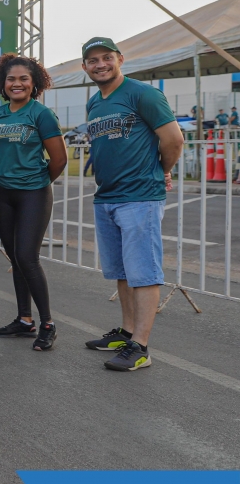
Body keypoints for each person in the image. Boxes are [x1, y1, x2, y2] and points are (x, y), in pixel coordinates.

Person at [79, 37, 183, 371]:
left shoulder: (142, 94)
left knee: (143, 273)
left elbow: (173, 139)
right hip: (107, 197)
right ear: (85, 67)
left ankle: (140, 347)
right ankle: (126, 333)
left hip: (139, 197)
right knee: (122, 272)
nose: (100, 64)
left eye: (106, 57)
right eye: (93, 60)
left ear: (120, 59)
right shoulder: (94, 103)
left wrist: (161, 171)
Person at [0, 54, 66, 351]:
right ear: (2, 83)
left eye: (23, 79)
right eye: (11, 79)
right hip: (3, 194)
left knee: (27, 256)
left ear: (34, 83)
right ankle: (24, 320)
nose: (16, 84)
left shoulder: (41, 114)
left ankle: (48, 324)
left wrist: (37, 182)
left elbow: (59, 159)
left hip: (33, 193)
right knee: (15, 257)